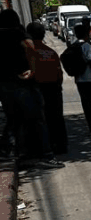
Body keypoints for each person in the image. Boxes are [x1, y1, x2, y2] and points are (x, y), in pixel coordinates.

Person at [26, 22, 67, 155]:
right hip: (54, 88)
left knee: (41, 119)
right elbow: (59, 74)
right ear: (43, 34)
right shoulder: (51, 53)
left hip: (37, 89)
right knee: (57, 117)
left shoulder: (29, 53)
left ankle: (45, 147)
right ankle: (61, 145)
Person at [0, 9, 36, 159]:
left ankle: (6, 149)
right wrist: (32, 70)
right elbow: (31, 47)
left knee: (11, 117)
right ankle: (23, 151)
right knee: (27, 117)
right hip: (20, 80)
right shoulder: (18, 33)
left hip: (3, 82)